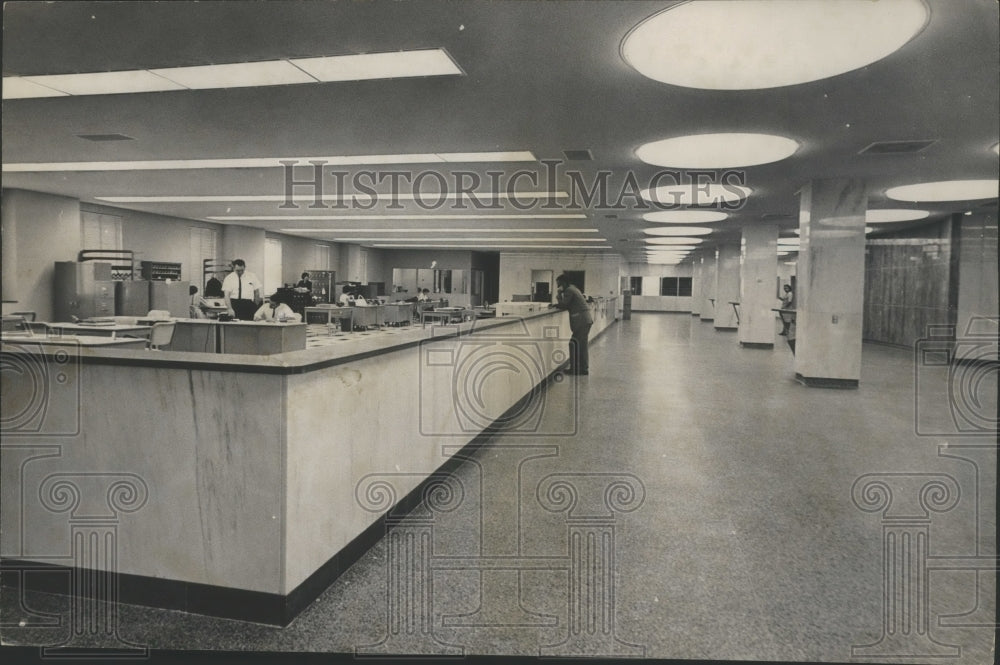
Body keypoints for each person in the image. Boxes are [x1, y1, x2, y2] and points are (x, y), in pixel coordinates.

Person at [550, 273, 593, 375]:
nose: (558, 286)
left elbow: (564, 305)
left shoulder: (569, 290)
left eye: (559, 284)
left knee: (573, 344)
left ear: (564, 283)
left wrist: (558, 295)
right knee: (582, 346)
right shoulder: (573, 288)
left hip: (581, 321)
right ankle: (583, 368)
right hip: (586, 320)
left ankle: (574, 369)